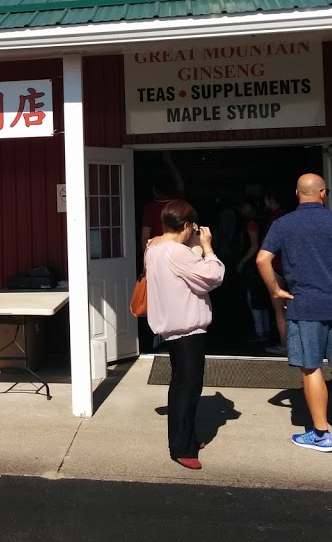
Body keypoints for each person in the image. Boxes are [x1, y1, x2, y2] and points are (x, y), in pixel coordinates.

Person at [256, 174, 332, 453]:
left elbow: (262, 259)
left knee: (311, 367)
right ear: (323, 193)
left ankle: (321, 434)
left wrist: (276, 290)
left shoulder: (283, 224)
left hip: (305, 306)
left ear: (297, 193)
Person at [145, 199, 225, 470]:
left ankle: (186, 439)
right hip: (187, 327)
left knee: (182, 385)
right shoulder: (175, 252)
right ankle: (181, 447)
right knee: (187, 388)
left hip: (173, 326)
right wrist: (208, 248)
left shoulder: (154, 248)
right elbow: (212, 277)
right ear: (188, 226)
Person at [236, 197, 268, 344]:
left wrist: (242, 261)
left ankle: (260, 331)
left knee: (253, 298)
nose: (242, 211)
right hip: (262, 263)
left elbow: (254, 245)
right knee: (262, 297)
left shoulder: (251, 223)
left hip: (253, 265)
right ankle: (265, 329)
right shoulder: (262, 221)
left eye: (244, 208)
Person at [262, 188, 290, 355]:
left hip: (277, 264)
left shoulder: (275, 219)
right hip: (293, 265)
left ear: (272, 200)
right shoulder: (290, 217)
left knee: (279, 307)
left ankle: (285, 343)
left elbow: (267, 247)